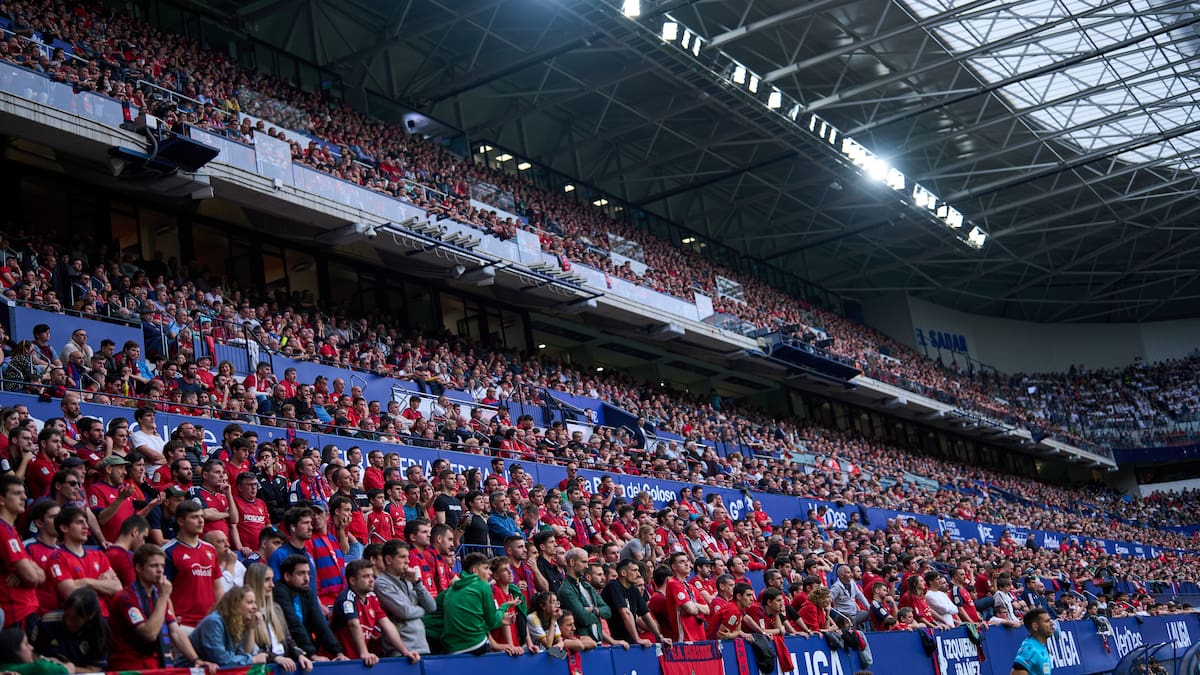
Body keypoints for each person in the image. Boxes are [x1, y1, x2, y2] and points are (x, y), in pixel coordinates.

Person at [109, 544, 215, 672]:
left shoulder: (157, 596)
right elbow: (149, 634)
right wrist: (164, 596)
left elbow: (175, 631)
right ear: (138, 567)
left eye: (162, 566)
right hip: (129, 668)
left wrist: (196, 660)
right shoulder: (125, 598)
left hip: (156, 665)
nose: (160, 570)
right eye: (154, 566)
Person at [423, 552, 518, 655]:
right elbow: (491, 621)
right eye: (486, 568)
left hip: (450, 647)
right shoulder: (482, 586)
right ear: (475, 571)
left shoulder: (451, 590)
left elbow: (475, 621)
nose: (490, 572)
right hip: (448, 640)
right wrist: (504, 607)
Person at [331, 559, 421, 664]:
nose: (371, 580)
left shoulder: (372, 597)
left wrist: (405, 651)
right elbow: (353, 624)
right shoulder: (347, 598)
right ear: (352, 581)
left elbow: (387, 624)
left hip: (357, 660)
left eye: (372, 576)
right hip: (338, 660)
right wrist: (364, 653)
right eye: (366, 576)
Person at [243, 563, 313, 673]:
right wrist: (275, 658)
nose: (272, 585)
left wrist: (300, 655)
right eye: (267, 580)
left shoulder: (276, 608)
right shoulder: (246, 613)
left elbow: (288, 640)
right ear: (255, 582)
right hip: (264, 668)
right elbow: (250, 650)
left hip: (285, 664)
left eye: (272, 579)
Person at [273, 554, 345, 660]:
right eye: (301, 574)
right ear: (287, 576)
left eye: (308, 573)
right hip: (286, 653)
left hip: (305, 651)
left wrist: (338, 652)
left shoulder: (306, 592)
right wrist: (311, 655)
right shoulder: (280, 592)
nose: (307, 579)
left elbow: (319, 624)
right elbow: (293, 624)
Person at [163, 500, 222, 627]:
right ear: (181, 521)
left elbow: (218, 588)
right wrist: (173, 623)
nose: (201, 521)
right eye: (195, 517)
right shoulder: (168, 551)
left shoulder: (210, 549)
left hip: (209, 623)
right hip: (183, 623)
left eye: (202, 516)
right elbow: (163, 593)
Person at [373, 540, 435, 655]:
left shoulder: (409, 580)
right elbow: (405, 612)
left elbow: (431, 607)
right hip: (402, 652)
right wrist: (423, 610)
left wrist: (417, 583)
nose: (408, 561)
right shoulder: (381, 583)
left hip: (422, 647)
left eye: (407, 557)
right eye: (402, 557)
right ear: (388, 560)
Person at [0, 475, 44, 629]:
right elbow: (32, 577)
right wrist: (29, 569)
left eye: (24, 493)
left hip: (23, 609)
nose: (24, 497)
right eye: (17, 493)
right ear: (1, 500)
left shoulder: (10, 530)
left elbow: (40, 575)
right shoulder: (3, 532)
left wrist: (26, 569)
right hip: (16, 612)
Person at [190, 585, 269, 666]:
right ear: (236, 604)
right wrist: (253, 660)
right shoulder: (214, 622)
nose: (255, 607)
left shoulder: (237, 622)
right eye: (250, 602)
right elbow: (220, 659)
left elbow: (246, 653)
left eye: (255, 602)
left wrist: (251, 628)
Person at [32, 586, 108, 671]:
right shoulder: (48, 623)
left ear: (90, 616)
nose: (68, 622)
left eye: (75, 619)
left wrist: (62, 668)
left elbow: (93, 670)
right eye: (66, 615)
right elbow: (34, 654)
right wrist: (46, 663)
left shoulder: (99, 631)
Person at [602, 557, 670, 647]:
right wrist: (637, 639)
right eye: (634, 570)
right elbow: (625, 613)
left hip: (629, 642)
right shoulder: (613, 586)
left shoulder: (633, 589)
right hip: (614, 643)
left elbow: (646, 614)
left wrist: (659, 637)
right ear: (623, 573)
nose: (638, 574)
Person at [0, 627, 70, 675]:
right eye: (26, 644)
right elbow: (67, 669)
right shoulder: (38, 667)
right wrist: (65, 666)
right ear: (14, 651)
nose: (32, 647)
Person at [1011, 608, 1054, 675]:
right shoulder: (1030, 649)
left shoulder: (1041, 646)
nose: (1052, 623)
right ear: (1035, 626)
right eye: (1047, 621)